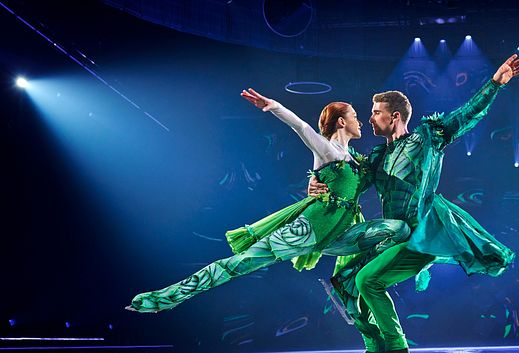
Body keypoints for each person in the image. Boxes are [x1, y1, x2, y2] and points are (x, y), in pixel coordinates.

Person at [310, 54, 519, 353]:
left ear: (394, 116)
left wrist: (494, 85)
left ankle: (398, 350)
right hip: (391, 237)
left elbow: (465, 116)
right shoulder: (379, 155)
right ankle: (376, 349)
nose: (369, 119)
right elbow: (348, 180)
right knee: (347, 281)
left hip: (420, 235)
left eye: (376, 113)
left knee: (370, 280)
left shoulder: (427, 139)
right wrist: (317, 181)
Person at [126, 89, 410, 313]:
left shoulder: (356, 161)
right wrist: (273, 106)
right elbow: (300, 126)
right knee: (241, 263)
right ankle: (169, 296)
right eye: (356, 116)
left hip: (339, 235)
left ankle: (348, 284)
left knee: (396, 229)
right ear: (341, 121)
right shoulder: (328, 151)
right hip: (309, 230)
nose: (361, 121)